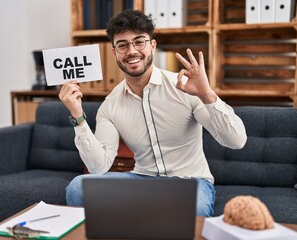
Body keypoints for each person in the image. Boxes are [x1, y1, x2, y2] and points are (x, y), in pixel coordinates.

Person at [59, 9, 247, 216]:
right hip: (142, 180)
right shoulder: (110, 105)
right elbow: (98, 167)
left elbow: (236, 141)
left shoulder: (185, 87)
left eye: (139, 41)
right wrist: (78, 116)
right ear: (115, 53)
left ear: (153, 46)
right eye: (122, 45)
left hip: (190, 182)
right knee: (78, 186)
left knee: (194, 208)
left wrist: (207, 95)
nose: (131, 51)